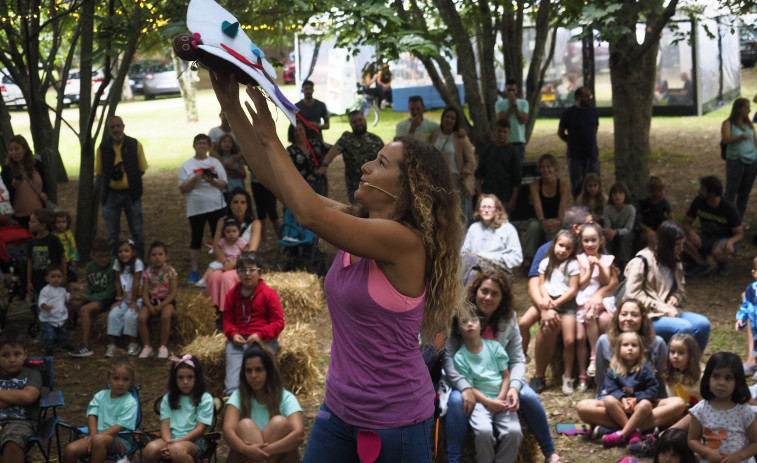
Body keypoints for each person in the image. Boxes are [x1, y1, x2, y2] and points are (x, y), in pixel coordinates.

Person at [211, 71, 462, 462]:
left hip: (395, 423)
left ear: (409, 188)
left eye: (380, 163)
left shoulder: (405, 242)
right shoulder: (357, 225)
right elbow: (277, 182)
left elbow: (309, 214)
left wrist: (271, 136)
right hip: (339, 412)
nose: (365, 166)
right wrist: (229, 100)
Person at [444, 270, 562, 463]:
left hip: (500, 379)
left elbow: (516, 359)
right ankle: (454, 459)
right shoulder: (462, 315)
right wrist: (464, 387)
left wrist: (514, 387)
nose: (488, 297)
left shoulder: (508, 319)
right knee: (457, 401)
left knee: (528, 396)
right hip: (467, 379)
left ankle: (550, 452)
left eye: (495, 294)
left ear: (502, 298)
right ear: (476, 291)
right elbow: (449, 358)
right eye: (484, 291)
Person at [575, 300, 686, 434]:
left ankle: (615, 429)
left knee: (678, 404)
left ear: (642, 318)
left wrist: (647, 401)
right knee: (583, 407)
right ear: (617, 317)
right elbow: (601, 383)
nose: (628, 318)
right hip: (615, 403)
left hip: (646, 403)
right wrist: (616, 401)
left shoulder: (657, 343)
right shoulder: (604, 341)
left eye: (634, 315)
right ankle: (640, 429)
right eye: (624, 314)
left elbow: (660, 382)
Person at [519, 207, 593, 378]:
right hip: (547, 301)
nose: (594, 226)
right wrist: (545, 307)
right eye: (589, 223)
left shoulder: (591, 245)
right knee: (545, 324)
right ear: (576, 228)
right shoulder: (547, 250)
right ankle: (538, 375)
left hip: (572, 304)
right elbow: (534, 283)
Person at [625, 220, 711, 353]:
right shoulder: (642, 261)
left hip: (670, 313)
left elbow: (681, 291)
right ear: (666, 244)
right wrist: (662, 307)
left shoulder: (676, 262)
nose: (681, 249)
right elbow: (633, 295)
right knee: (683, 328)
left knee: (702, 324)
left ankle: (691, 366)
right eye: (677, 245)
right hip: (648, 315)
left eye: (682, 245)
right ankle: (668, 367)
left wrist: (675, 297)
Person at [452, 312, 521, 463]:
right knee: (484, 431)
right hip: (479, 403)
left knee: (515, 432)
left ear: (481, 324)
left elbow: (506, 376)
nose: (470, 324)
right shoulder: (460, 357)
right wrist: (489, 403)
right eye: (464, 322)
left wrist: (499, 399)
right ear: (457, 330)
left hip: (501, 398)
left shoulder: (495, 347)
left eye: (473, 320)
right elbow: (470, 388)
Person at [224, 344, 304, 463]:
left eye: (259, 369)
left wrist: (264, 452)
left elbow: (299, 435)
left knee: (279, 423)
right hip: (247, 456)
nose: (253, 376)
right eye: (248, 371)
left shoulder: (286, 398)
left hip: (277, 458)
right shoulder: (238, 396)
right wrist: (246, 449)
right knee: (245, 425)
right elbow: (227, 431)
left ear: (269, 371)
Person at [222, 252, 284, 396]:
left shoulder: (269, 294)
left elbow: (278, 322)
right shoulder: (232, 295)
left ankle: (266, 397)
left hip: (263, 340)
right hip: (239, 340)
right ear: (237, 272)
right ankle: (232, 398)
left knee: (261, 371)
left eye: (251, 270)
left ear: (260, 272)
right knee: (233, 373)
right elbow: (227, 320)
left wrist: (260, 334)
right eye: (243, 270)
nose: (247, 274)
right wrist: (232, 334)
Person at [62, 352, 139, 463]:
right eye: (116, 378)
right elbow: (92, 415)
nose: (120, 383)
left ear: (132, 382)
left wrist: (96, 438)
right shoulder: (100, 395)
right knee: (70, 449)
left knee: (99, 440)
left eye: (125, 379)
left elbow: (120, 426)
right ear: (108, 379)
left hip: (120, 442)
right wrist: (93, 437)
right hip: (95, 436)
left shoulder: (130, 402)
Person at [143, 355, 215, 463]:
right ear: (174, 379)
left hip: (194, 442)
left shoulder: (205, 399)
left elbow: (200, 430)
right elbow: (165, 425)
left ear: (197, 378)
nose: (185, 381)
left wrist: (174, 444)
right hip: (170, 439)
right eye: (180, 377)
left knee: (177, 450)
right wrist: (168, 443)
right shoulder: (168, 398)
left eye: (190, 377)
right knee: (150, 449)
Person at [688, 352, 757, 463]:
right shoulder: (700, 410)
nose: (721, 383)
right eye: (716, 376)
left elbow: (755, 442)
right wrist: (706, 452)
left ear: (737, 382)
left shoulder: (745, 411)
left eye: (728, 378)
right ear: (707, 378)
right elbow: (692, 440)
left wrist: (739, 456)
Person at [178, 134, 228, 284]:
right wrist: (194, 178)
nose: (201, 146)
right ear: (194, 146)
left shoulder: (215, 163)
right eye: (199, 143)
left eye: (204, 143)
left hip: (216, 205)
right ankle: (195, 270)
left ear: (208, 146)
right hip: (196, 207)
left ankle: (219, 265)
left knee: (218, 237)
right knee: (196, 237)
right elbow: (182, 189)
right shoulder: (187, 165)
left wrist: (210, 180)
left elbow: (224, 184)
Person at [95, 116, 148, 259]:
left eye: (118, 126)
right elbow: (99, 173)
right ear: (108, 129)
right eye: (112, 127)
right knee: (112, 235)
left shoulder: (134, 144)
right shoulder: (103, 148)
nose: (116, 129)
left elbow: (142, 169)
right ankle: (115, 266)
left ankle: (140, 264)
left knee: (137, 233)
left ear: (123, 126)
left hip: (132, 193)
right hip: (111, 194)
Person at [535, 229, 580, 395]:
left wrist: (557, 302)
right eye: (561, 245)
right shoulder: (545, 262)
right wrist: (546, 299)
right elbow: (541, 284)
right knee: (547, 330)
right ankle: (540, 373)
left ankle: (567, 376)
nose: (563, 250)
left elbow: (573, 289)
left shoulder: (572, 265)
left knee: (569, 340)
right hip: (550, 302)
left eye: (568, 248)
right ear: (554, 244)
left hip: (566, 305)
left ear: (572, 250)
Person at [575, 222, 617, 392]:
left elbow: (607, 281)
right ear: (581, 242)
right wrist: (590, 269)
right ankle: (593, 355)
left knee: (606, 320)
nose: (590, 244)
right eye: (586, 241)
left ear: (601, 241)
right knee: (590, 315)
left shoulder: (607, 259)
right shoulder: (580, 259)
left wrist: (599, 266)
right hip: (585, 297)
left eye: (593, 240)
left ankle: (608, 370)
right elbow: (582, 284)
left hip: (604, 298)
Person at [205, 188, 262, 311]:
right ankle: (213, 312)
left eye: (243, 202)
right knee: (214, 277)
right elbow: (216, 246)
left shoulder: (255, 223)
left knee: (227, 277)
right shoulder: (223, 221)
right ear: (230, 204)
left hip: (244, 264)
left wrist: (233, 264)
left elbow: (251, 250)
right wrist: (225, 262)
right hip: (224, 262)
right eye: (235, 202)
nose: (239, 206)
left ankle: (231, 312)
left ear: (248, 205)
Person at [599, 331, 659, 447]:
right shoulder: (614, 369)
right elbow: (611, 388)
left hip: (638, 408)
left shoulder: (645, 369)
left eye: (634, 345)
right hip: (621, 407)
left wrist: (637, 399)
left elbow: (653, 388)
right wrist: (622, 399)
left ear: (640, 349)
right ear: (618, 348)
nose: (630, 348)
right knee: (608, 400)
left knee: (646, 404)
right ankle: (633, 433)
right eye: (625, 345)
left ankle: (619, 433)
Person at [319, 111, 384, 204]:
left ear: (364, 120)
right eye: (354, 122)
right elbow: (333, 151)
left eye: (359, 120)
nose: (358, 123)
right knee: (360, 214)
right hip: (356, 187)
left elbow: (384, 159)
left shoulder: (376, 140)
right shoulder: (347, 139)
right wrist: (324, 165)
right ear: (350, 124)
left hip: (375, 185)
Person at [683, 175, 743, 277]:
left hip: (723, 240)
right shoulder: (698, 201)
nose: (699, 192)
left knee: (718, 251)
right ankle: (701, 263)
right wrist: (691, 232)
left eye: (702, 190)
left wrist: (731, 242)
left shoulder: (728, 208)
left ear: (712, 193)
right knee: (680, 237)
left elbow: (740, 234)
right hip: (705, 237)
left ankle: (722, 264)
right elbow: (686, 222)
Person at [68, 239, 116, 358]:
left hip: (107, 298)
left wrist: (89, 297)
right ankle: (63, 337)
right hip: (95, 295)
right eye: (100, 257)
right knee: (71, 304)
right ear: (93, 255)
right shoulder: (90, 267)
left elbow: (110, 291)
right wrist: (85, 295)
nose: (104, 259)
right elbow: (91, 286)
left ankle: (86, 345)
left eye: (106, 256)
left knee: (85, 310)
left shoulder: (113, 265)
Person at [460, 195, 522, 285]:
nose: (486, 210)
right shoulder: (473, 228)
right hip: (474, 267)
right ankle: (466, 298)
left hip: (499, 268)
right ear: (479, 210)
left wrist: (486, 257)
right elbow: (463, 253)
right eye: (483, 207)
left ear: (497, 211)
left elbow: (517, 257)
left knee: (470, 259)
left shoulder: (507, 228)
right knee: (472, 273)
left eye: (489, 207)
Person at [0, 331, 41, 463]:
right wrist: (17, 397)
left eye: (17, 354)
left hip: (22, 421)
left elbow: (28, 396)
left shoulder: (32, 374)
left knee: (13, 441)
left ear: (25, 354)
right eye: (5, 355)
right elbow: (23, 396)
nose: (12, 360)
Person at [523, 154, 569, 269]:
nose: (546, 170)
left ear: (554, 168)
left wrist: (557, 221)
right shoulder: (534, 185)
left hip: (555, 220)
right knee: (533, 227)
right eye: (543, 167)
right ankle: (528, 259)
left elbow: (562, 206)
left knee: (553, 233)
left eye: (549, 167)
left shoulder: (563, 186)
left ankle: (553, 260)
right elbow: (537, 204)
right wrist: (542, 221)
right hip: (539, 219)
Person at [430, 107, 476, 221]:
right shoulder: (436, 134)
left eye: (453, 118)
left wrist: (464, 174)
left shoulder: (460, 137)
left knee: (460, 219)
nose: (449, 120)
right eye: (447, 117)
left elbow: (471, 160)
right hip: (439, 183)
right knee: (442, 217)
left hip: (457, 183)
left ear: (456, 121)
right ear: (442, 117)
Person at [138, 241, 178, 359]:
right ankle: (147, 346)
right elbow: (144, 292)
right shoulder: (147, 273)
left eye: (160, 254)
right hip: (152, 301)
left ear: (166, 256)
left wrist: (162, 305)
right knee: (141, 318)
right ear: (149, 257)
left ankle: (163, 346)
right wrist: (149, 305)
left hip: (167, 301)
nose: (157, 257)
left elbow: (173, 292)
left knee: (165, 316)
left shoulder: (171, 271)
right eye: (154, 255)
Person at [557, 87, 599, 198]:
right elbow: (560, 132)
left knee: (595, 184)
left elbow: (595, 128)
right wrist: (571, 141)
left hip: (592, 154)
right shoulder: (568, 113)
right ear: (578, 97)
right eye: (586, 96)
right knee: (578, 185)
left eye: (590, 96)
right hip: (575, 156)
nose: (589, 99)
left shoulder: (593, 111)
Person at [105, 239, 144, 358]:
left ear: (133, 252)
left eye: (127, 251)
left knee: (130, 316)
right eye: (120, 251)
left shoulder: (137, 263)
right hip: (124, 299)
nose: (123, 254)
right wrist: (119, 299)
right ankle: (112, 345)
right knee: (113, 315)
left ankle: (133, 343)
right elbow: (117, 282)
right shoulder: (117, 263)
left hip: (137, 299)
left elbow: (136, 283)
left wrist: (133, 301)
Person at [1, 134, 48, 229]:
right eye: (11, 150)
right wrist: (13, 187)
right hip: (19, 218)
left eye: (16, 149)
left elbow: (45, 184)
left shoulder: (36, 164)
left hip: (39, 216)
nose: (13, 152)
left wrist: (45, 195)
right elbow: (4, 194)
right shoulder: (7, 170)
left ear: (25, 149)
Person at [475, 119, 521, 214]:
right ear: (495, 131)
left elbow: (517, 180)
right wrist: (480, 195)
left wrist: (513, 200)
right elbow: (478, 175)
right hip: (487, 196)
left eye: (505, 132)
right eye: (499, 131)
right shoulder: (488, 150)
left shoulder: (513, 152)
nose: (502, 134)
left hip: (505, 198)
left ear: (509, 133)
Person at [722, 97, 757, 220]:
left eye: (749, 107)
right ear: (738, 109)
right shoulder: (728, 123)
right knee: (731, 190)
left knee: (744, 193)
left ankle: (738, 219)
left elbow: (755, 141)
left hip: (752, 161)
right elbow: (726, 140)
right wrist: (740, 137)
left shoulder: (749, 124)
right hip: (736, 160)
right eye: (746, 108)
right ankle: (726, 218)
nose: (749, 110)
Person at [26, 209, 66, 301]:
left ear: (43, 226)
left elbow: (62, 257)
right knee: (40, 303)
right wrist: (29, 282)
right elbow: (30, 262)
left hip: (53, 280)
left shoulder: (54, 240)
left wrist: (64, 275)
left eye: (32, 221)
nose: (29, 223)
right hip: (37, 281)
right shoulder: (31, 242)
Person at [196, 219, 247, 289]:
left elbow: (245, 251)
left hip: (236, 262)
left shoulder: (240, 241)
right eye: (228, 232)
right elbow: (217, 248)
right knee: (212, 265)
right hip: (224, 261)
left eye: (234, 231)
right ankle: (204, 279)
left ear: (239, 232)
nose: (231, 234)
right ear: (224, 233)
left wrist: (237, 261)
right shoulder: (223, 241)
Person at [38, 264, 72, 355]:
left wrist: (74, 295)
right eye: (53, 277)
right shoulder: (45, 290)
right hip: (48, 318)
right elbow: (41, 301)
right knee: (49, 335)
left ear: (62, 278)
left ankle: (64, 345)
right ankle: (48, 348)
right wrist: (45, 306)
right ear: (47, 278)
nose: (56, 279)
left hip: (60, 318)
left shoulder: (62, 290)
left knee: (63, 333)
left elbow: (67, 298)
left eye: (59, 277)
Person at [286, 121, 327, 195]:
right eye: (295, 131)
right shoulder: (290, 150)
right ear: (292, 134)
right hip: (300, 188)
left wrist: (325, 165)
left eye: (300, 130)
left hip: (319, 185)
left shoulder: (316, 144)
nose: (298, 133)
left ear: (305, 130)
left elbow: (334, 149)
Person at [662, 334, 702, 408]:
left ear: (691, 355)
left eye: (681, 353)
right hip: (680, 411)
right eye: (672, 352)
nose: (675, 356)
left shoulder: (701, 376)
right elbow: (672, 399)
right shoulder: (671, 374)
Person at [603, 182, 636, 271]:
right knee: (605, 237)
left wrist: (617, 232)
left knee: (626, 237)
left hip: (625, 233)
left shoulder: (630, 209)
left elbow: (629, 228)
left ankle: (625, 263)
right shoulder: (607, 209)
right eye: (615, 193)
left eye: (620, 193)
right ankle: (609, 262)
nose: (617, 196)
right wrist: (610, 232)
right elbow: (607, 225)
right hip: (611, 233)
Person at [495, 79, 529, 162]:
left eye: (513, 90)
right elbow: (501, 121)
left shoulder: (523, 103)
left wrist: (515, 106)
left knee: (519, 167)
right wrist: (510, 107)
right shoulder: (500, 104)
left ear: (517, 90)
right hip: (505, 141)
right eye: (509, 90)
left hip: (519, 141)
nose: (511, 92)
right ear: (505, 91)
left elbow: (523, 120)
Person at [636, 176, 674, 247]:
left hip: (661, 229)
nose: (662, 193)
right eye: (659, 191)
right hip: (648, 229)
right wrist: (648, 230)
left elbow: (672, 218)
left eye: (663, 190)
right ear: (651, 191)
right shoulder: (643, 203)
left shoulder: (664, 202)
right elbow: (639, 222)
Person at [213, 134, 247, 206]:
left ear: (233, 144)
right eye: (224, 141)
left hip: (237, 189)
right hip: (223, 190)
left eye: (229, 142)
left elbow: (244, 175)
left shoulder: (237, 159)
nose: (227, 144)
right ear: (220, 144)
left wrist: (235, 168)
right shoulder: (216, 160)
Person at [737, 257, 757, 376]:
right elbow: (745, 307)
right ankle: (753, 362)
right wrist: (741, 319)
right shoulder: (750, 290)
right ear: (754, 273)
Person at [53, 210, 79, 287]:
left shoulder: (68, 235)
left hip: (67, 259)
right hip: (56, 260)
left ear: (67, 223)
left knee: (69, 276)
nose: (61, 225)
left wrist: (73, 259)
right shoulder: (54, 235)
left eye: (63, 222)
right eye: (58, 222)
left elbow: (73, 247)